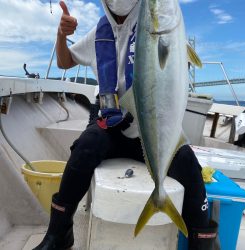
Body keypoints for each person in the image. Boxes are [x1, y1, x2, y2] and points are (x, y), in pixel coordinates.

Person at [34, 1, 218, 249]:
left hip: (151, 130)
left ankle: (203, 243)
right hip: (113, 126)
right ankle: (58, 234)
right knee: (84, 149)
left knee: (188, 164)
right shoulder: (98, 34)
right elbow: (64, 62)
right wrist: (61, 35)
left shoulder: (152, 26)